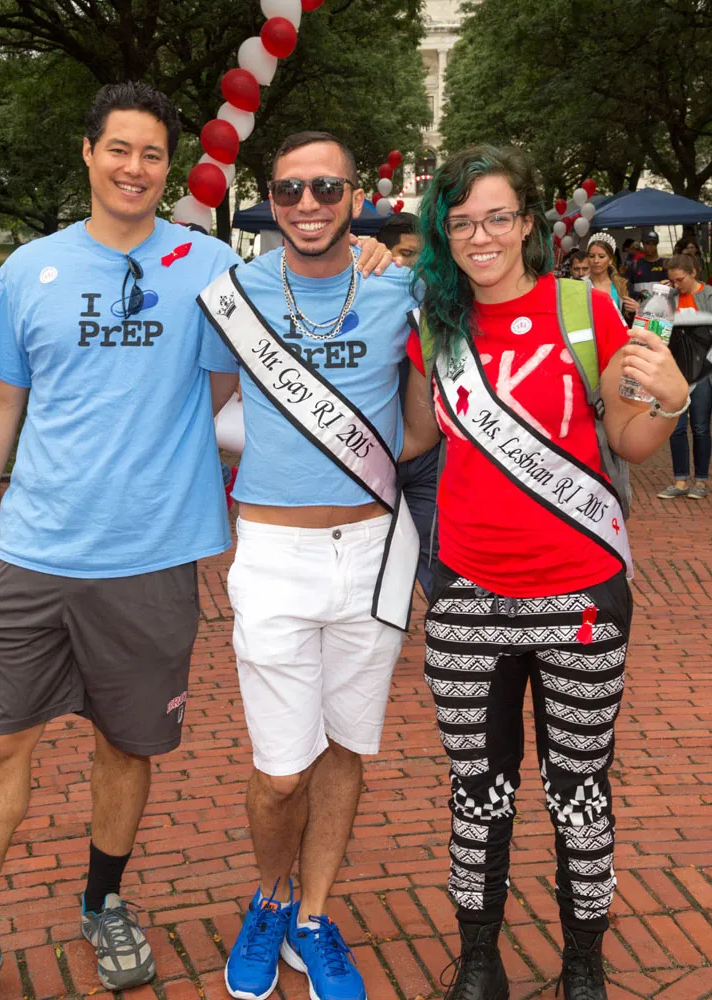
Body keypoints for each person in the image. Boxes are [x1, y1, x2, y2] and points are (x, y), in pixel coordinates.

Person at [0, 82, 245, 1000]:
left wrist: (366, 251)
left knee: (126, 747)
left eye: (152, 154)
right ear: (88, 152)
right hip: (36, 551)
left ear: (169, 167)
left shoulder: (210, 265)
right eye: (119, 149)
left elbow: (231, 377)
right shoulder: (32, 268)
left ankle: (103, 903)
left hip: (153, 556)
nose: (135, 168)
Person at [400, 144, 687, 1000]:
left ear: (527, 222)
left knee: (579, 790)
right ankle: (478, 958)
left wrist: (670, 398)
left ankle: (583, 964)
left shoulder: (582, 309)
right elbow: (413, 439)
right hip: (466, 593)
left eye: (496, 217)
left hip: (579, 593)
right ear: (442, 231)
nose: (479, 236)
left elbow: (631, 439)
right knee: (476, 791)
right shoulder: (433, 326)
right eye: (460, 221)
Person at [198, 132, 419, 1000]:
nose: (308, 204)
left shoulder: (396, 287)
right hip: (274, 555)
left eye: (326, 187)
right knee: (280, 771)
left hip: (370, 551)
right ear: (269, 199)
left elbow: (421, 423)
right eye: (290, 190)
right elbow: (206, 409)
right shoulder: (235, 295)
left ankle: (314, 916)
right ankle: (268, 899)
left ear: (355, 195)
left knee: (345, 750)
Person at [377, 211, 439, 598]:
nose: (417, 266)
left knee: (437, 558)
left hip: (428, 457)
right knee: (371, 567)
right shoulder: (358, 303)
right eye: (408, 254)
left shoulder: (438, 306)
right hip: (371, 457)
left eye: (424, 256)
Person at [656, 253, 712, 500]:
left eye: (680, 280)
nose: (677, 285)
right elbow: (656, 326)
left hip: (701, 373)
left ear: (693, 273)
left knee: (700, 426)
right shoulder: (669, 297)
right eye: (673, 281)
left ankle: (700, 481)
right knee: (676, 427)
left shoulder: (708, 296)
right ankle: (680, 481)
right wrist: (659, 297)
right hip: (675, 372)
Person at [585, 233, 637, 316]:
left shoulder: (622, 285)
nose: (596, 261)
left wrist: (636, 309)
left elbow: (628, 318)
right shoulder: (580, 284)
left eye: (601, 256)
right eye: (591, 256)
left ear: (610, 260)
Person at [626, 229, 668, 301]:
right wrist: (640, 294)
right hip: (640, 306)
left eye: (653, 244)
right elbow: (626, 290)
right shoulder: (635, 265)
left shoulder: (665, 265)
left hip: (662, 306)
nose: (650, 246)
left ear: (657, 244)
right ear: (642, 244)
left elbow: (675, 288)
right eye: (647, 243)